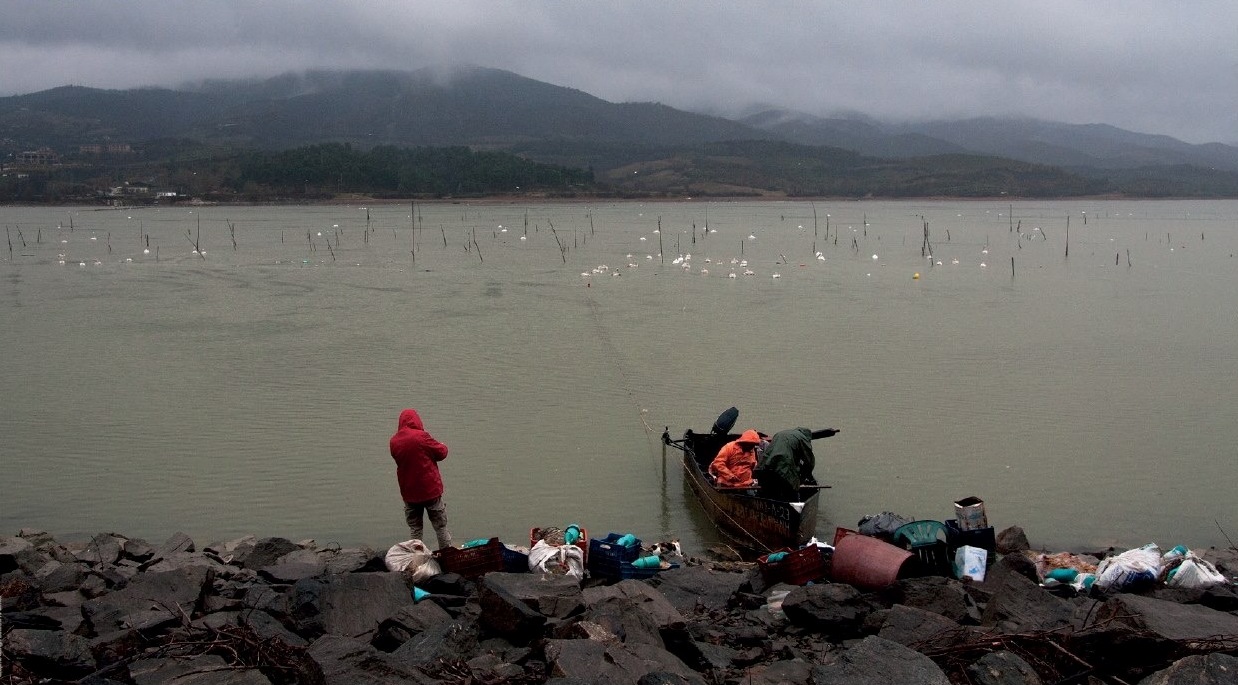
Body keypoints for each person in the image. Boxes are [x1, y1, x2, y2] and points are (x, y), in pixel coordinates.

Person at [389, 408, 452, 549]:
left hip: (409, 492)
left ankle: (417, 558)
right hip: (430, 491)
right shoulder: (422, 436)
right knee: (440, 526)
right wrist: (443, 445)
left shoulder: (394, 442)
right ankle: (447, 556)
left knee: (415, 529)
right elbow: (441, 453)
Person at [755, 427, 817, 501]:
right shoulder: (803, 438)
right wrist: (802, 479)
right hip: (782, 466)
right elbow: (809, 462)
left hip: (764, 467)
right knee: (791, 488)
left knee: (768, 491)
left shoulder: (780, 434)